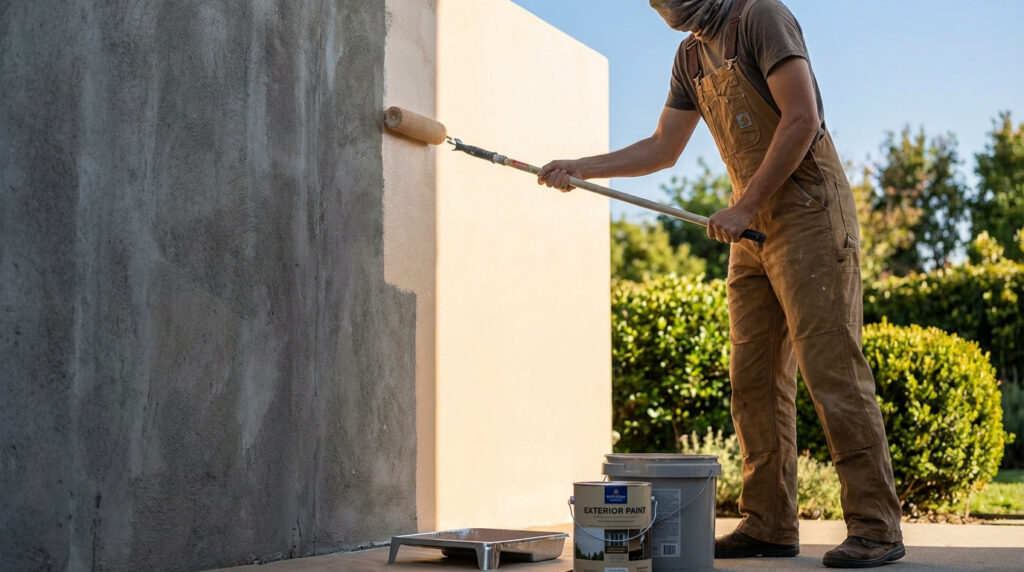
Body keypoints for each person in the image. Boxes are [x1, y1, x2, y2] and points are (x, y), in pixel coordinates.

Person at [537, 0, 905, 568]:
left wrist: (746, 205)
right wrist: (580, 167)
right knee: (752, 381)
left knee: (832, 370)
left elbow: (802, 117)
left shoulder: (761, 18)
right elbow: (663, 147)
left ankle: (877, 527)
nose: (658, 6)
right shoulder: (689, 57)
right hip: (751, 230)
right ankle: (769, 525)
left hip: (808, 213)